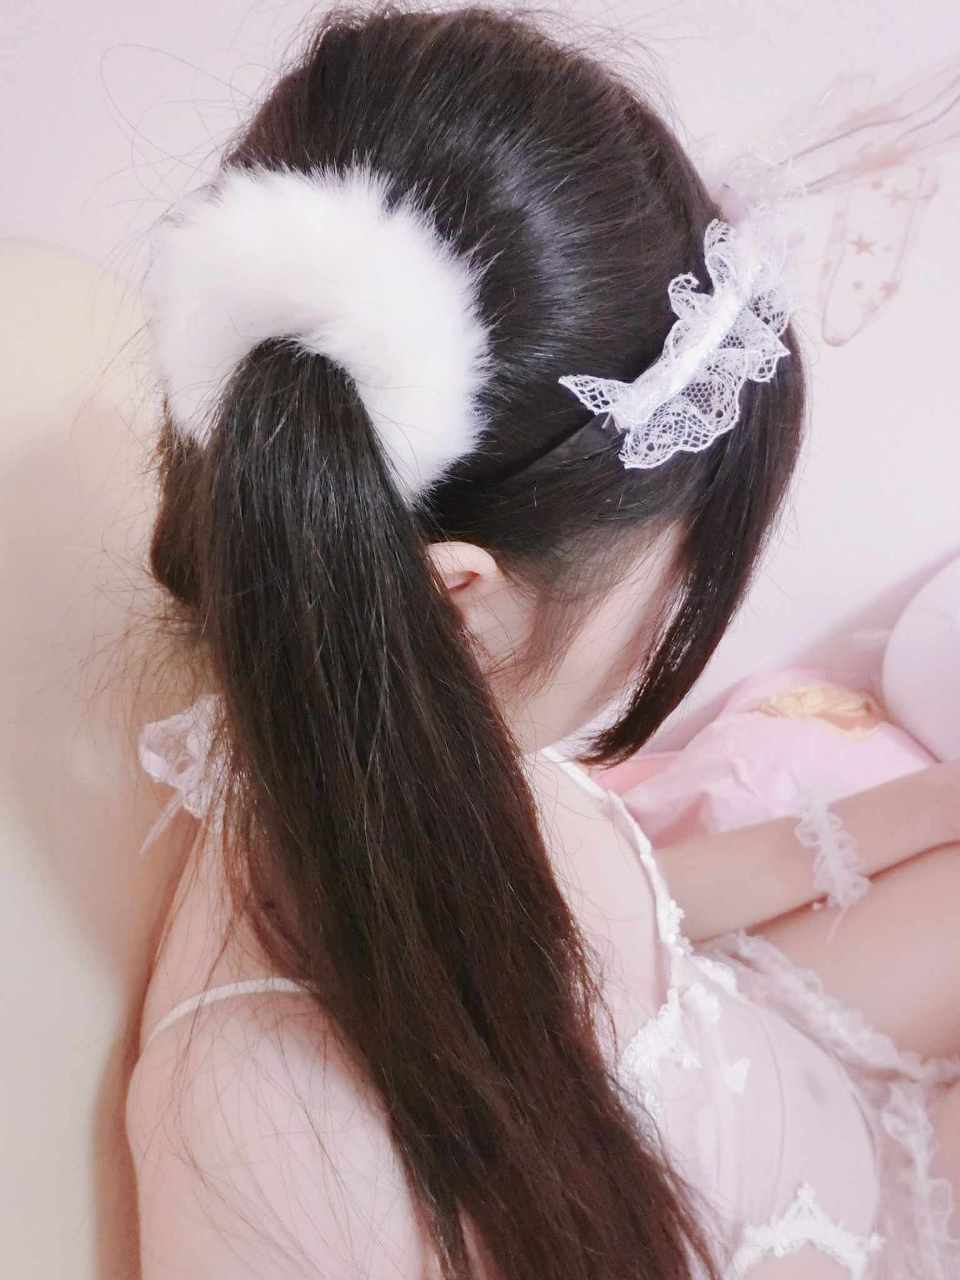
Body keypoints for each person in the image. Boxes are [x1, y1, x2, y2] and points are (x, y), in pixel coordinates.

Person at [124, 5, 960, 1277]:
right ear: (459, 596)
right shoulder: (277, 1150)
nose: (669, 628)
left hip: (774, 1081)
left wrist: (936, 806)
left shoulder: (405, 722)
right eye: (675, 583)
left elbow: (627, 921)